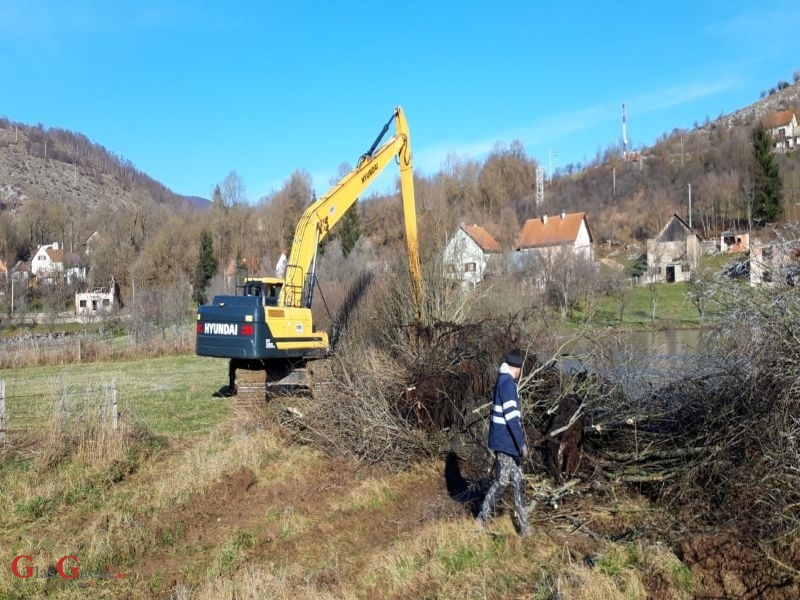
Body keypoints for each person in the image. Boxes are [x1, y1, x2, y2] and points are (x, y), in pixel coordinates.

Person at [476, 348, 531, 536]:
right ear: (518, 368)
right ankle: (481, 520)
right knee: (501, 482)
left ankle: (524, 528)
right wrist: (521, 444)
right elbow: (511, 417)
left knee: (518, 481)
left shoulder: (504, 380)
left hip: (505, 442)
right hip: (505, 443)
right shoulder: (507, 383)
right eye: (522, 369)